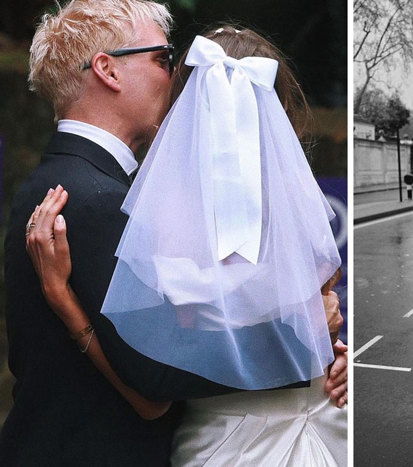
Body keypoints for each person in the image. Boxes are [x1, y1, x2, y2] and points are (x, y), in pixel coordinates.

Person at [3, 1, 347, 465]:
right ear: (107, 70)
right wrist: (308, 340)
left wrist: (330, 354)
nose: (173, 77)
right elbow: (155, 381)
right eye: (163, 59)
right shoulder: (92, 200)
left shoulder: (101, 190)